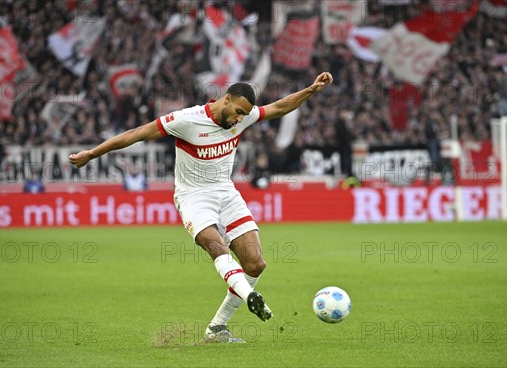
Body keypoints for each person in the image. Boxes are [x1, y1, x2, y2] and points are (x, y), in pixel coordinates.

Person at [69, 72, 334, 343]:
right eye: (239, 112)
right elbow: (137, 134)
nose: (240, 119)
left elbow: (279, 107)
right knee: (215, 245)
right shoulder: (186, 120)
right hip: (193, 196)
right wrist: (92, 153)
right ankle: (249, 296)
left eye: (245, 115)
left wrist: (311, 89)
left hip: (226, 193)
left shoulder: (244, 115)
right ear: (226, 99)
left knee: (255, 263)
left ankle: (217, 328)